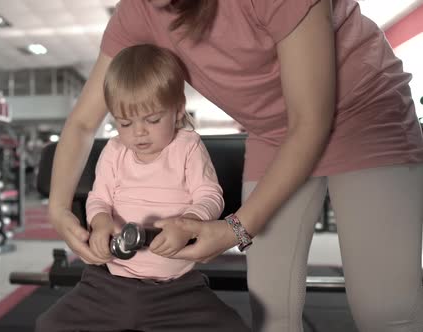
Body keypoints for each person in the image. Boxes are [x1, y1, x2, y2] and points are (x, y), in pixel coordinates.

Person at [47, 0, 423, 331]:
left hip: (367, 117)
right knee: (271, 310)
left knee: (385, 310)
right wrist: (59, 209)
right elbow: (83, 122)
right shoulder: (139, 10)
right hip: (274, 134)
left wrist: (235, 229)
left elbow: (310, 122)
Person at [37, 44, 249, 332]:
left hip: (177, 288)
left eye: (152, 120)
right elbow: (99, 199)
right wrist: (100, 224)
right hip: (109, 283)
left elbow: (209, 195)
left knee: (233, 327)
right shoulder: (114, 151)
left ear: (177, 111)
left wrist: (190, 222)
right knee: (49, 325)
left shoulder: (187, 147)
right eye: (124, 122)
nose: (138, 132)